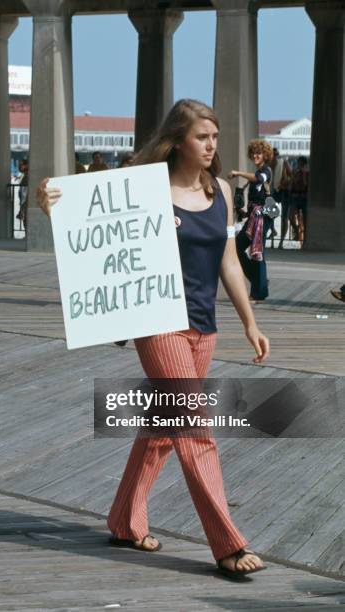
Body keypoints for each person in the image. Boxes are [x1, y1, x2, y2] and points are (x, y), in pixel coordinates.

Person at [36, 99, 270, 578]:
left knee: (164, 429)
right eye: (202, 137)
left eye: (215, 137)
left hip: (204, 328)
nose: (211, 146)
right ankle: (227, 543)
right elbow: (92, 222)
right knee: (195, 428)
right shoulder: (144, 189)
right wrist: (51, 203)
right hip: (158, 322)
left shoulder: (222, 190)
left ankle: (125, 519)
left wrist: (250, 322)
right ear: (178, 140)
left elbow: (228, 261)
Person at [229, 140, 274, 304]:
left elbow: (258, 179)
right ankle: (258, 281)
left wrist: (238, 173)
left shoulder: (266, 171)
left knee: (258, 253)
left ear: (265, 155)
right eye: (254, 153)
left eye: (259, 153)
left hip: (262, 218)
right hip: (254, 217)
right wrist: (244, 212)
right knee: (237, 248)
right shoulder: (258, 172)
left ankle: (259, 293)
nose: (256, 155)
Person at [270, 148, 292, 249]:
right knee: (269, 215)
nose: (273, 157)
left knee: (284, 218)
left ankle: (281, 242)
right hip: (273, 191)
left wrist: (284, 184)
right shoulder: (268, 164)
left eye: (275, 155)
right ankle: (273, 232)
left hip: (284, 191)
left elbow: (292, 175)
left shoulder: (283, 162)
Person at [289, 156, 309, 245]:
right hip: (295, 197)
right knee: (291, 216)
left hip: (304, 197)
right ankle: (296, 231)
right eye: (298, 163)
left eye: (301, 164)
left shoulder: (307, 172)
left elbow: (305, 185)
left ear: (304, 164)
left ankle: (304, 240)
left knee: (305, 221)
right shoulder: (295, 172)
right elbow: (292, 184)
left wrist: (304, 174)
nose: (299, 165)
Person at [16, 158, 29, 229]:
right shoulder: (24, 174)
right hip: (23, 198)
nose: (21, 166)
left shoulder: (27, 174)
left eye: (22, 165)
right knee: (25, 217)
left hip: (25, 199)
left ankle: (27, 233)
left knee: (25, 217)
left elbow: (23, 184)